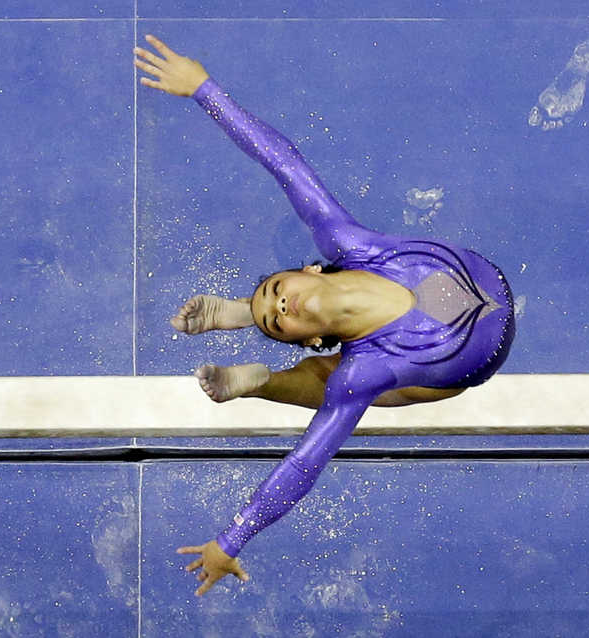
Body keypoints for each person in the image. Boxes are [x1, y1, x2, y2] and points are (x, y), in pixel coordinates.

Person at [134, 34, 516, 596]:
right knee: (346, 384)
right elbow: (303, 465)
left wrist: (204, 89)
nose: (282, 304)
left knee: (343, 379)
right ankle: (261, 377)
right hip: (461, 365)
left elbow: (282, 161)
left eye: (273, 292)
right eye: (274, 319)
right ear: (305, 338)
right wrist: (231, 540)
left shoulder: (348, 241)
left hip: (475, 281)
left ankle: (243, 327)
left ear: (309, 270)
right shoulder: (362, 372)